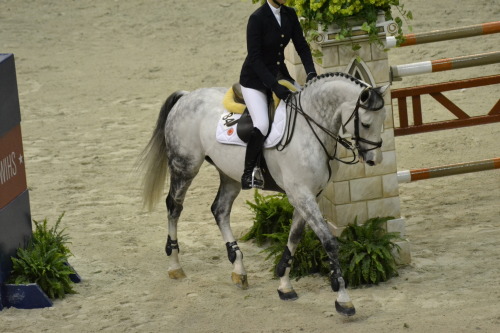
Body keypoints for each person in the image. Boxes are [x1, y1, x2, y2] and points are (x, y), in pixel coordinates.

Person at [239, 0, 317, 190]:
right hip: (255, 81)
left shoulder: (289, 14)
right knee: (262, 124)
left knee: (305, 109)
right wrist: (274, 86)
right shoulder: (256, 19)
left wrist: (311, 73)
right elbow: (255, 59)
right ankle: (249, 173)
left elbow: (302, 46)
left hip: (280, 76)